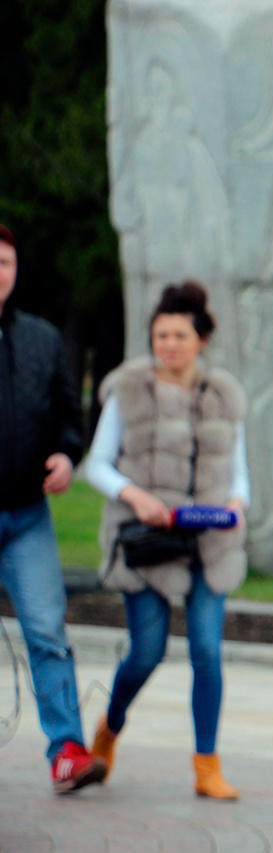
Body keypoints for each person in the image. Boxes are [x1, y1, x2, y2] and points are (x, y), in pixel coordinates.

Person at [85, 280, 249, 800]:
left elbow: (240, 473)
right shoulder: (129, 390)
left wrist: (237, 504)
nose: (168, 345)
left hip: (208, 541)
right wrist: (137, 497)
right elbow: (97, 464)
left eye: (179, 335)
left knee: (206, 650)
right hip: (146, 542)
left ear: (201, 339)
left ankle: (207, 765)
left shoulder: (222, 394)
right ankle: (109, 729)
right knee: (147, 652)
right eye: (160, 335)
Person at [0, 222, 103, 794]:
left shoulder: (42, 341)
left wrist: (66, 455)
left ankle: (66, 750)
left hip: (27, 517)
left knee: (46, 631)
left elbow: (70, 417)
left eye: (6, 262)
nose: (0, 273)